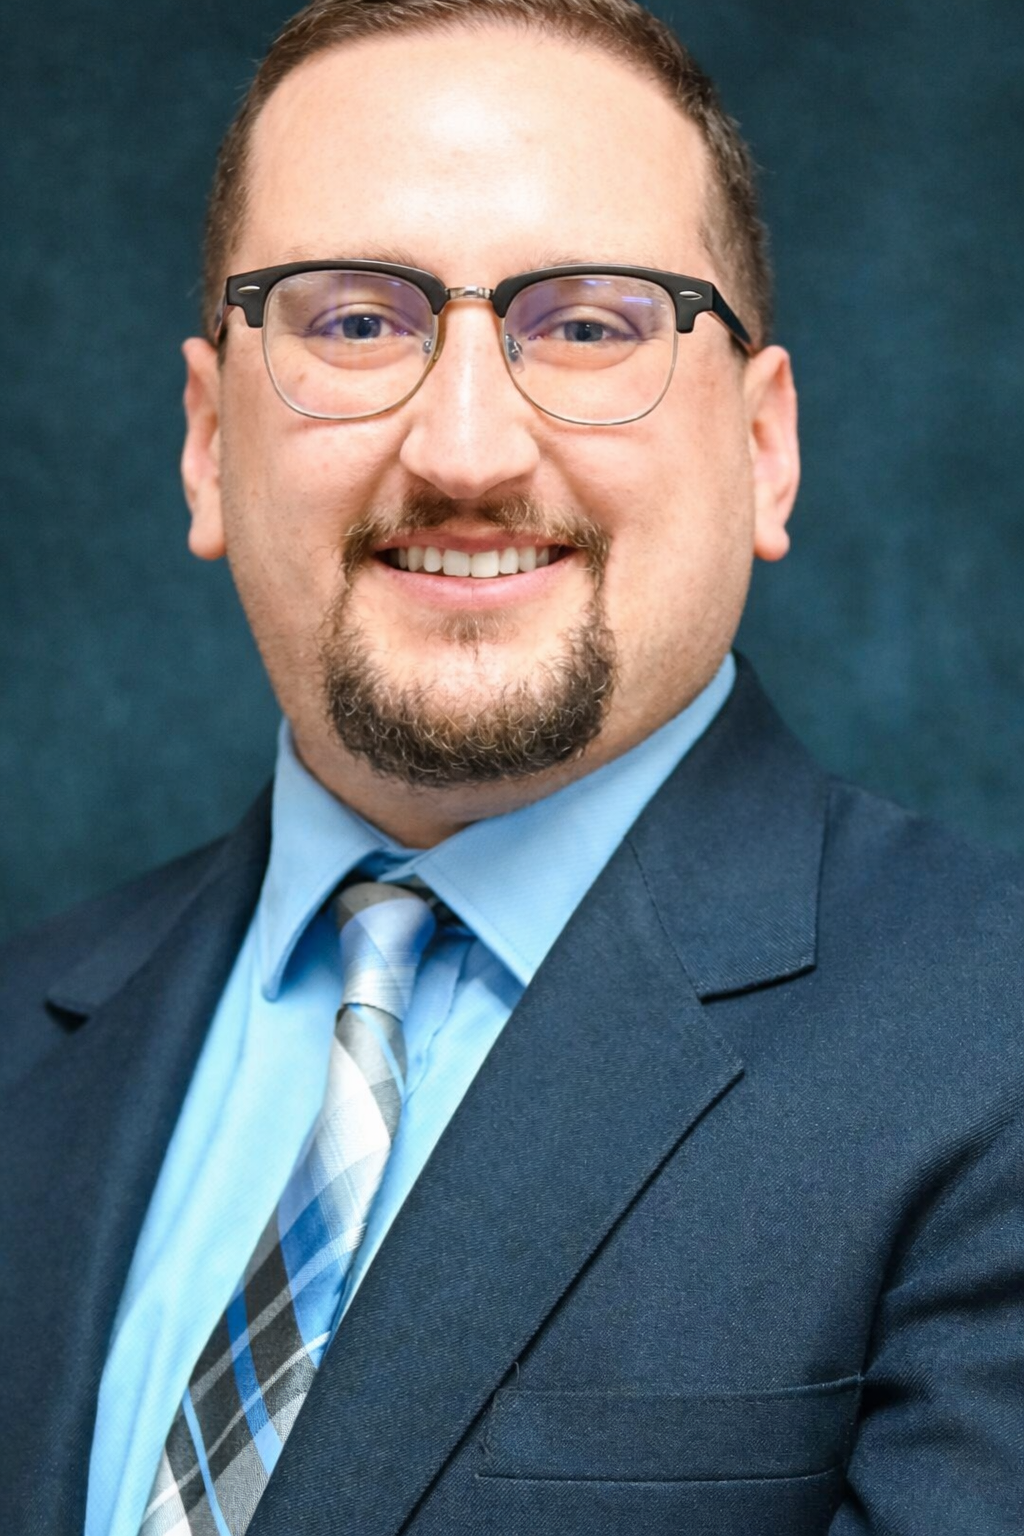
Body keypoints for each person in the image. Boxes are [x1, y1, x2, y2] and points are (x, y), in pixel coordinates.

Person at [1, 0, 1020, 1531]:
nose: (465, 450)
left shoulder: (994, 1048)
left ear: (766, 449)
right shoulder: (23, 1035)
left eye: (591, 325)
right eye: (355, 323)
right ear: (208, 441)